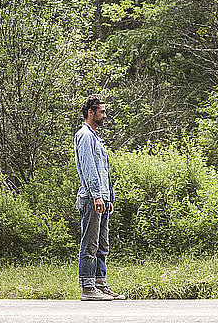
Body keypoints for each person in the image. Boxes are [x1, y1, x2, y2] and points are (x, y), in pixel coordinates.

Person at [75, 94, 125, 301]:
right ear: (91, 113)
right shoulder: (85, 135)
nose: (105, 115)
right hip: (91, 198)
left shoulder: (95, 137)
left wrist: (108, 198)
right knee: (90, 243)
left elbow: (103, 170)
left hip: (101, 198)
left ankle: (99, 284)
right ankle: (87, 288)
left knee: (102, 243)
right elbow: (89, 169)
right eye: (102, 112)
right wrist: (97, 196)